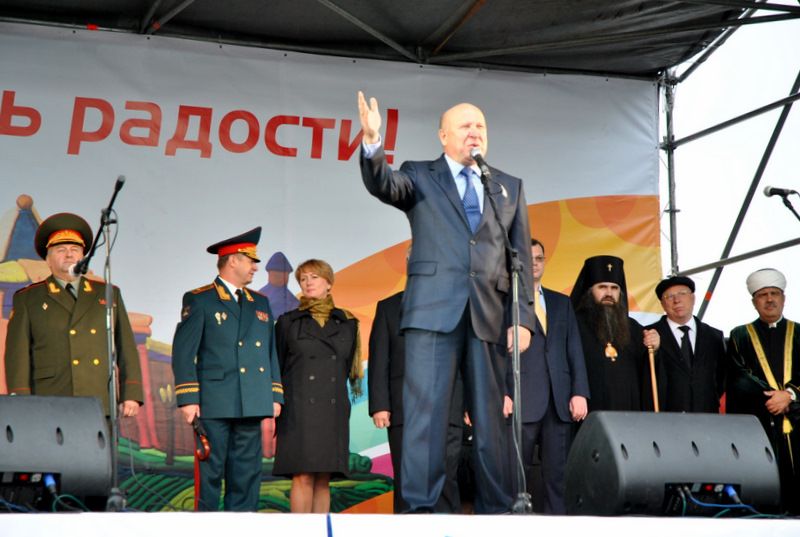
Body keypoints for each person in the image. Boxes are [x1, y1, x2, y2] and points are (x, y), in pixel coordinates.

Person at [357, 92, 535, 513]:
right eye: (465, 126)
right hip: (432, 314)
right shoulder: (420, 174)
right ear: (443, 135)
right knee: (426, 418)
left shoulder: (507, 186)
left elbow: (521, 259)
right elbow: (384, 184)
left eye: (480, 126)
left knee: (491, 421)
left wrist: (522, 317)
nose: (474, 132)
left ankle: (498, 509)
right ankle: (421, 510)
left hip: (488, 315)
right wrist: (372, 142)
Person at [171, 226, 283, 512]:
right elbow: (184, 353)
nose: (255, 267)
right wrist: (188, 398)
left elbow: (270, 352)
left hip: (252, 400)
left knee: (246, 475)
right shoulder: (200, 299)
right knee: (210, 473)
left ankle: (243, 527)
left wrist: (274, 394)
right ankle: (206, 528)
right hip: (215, 401)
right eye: (251, 260)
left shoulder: (260, 302)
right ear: (233, 260)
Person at [4, 212, 143, 417]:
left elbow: (126, 347)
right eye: (61, 250)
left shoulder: (107, 293)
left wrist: (131, 393)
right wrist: (21, 398)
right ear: (47, 259)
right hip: (48, 398)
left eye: (75, 250)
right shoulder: (28, 298)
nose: (69, 255)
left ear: (83, 256)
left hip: (98, 396)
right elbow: (17, 354)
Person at [504, 238, 589, 514]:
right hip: (520, 399)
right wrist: (502, 392)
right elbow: (495, 352)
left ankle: (558, 529)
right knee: (515, 477)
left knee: (559, 476)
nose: (534, 264)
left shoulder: (561, 302)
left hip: (559, 401)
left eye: (539, 258)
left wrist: (579, 392)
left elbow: (574, 350)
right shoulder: (504, 301)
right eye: (527, 259)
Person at [273, 259, 363, 513]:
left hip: (332, 409)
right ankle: (301, 531)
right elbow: (276, 366)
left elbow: (347, 366)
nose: (308, 282)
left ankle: (321, 529)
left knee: (324, 478)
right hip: (298, 409)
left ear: (329, 283)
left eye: (314, 277)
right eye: (303, 279)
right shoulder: (288, 322)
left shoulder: (348, 323)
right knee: (302, 475)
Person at [369, 287, 464, 513]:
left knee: (446, 479)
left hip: (448, 405)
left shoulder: (457, 303)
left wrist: (470, 404)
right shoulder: (388, 306)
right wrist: (380, 405)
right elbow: (379, 358)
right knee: (407, 481)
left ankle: (446, 527)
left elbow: (466, 356)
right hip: (404, 409)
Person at [726, 268, 799, 514]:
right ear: (754, 302)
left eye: (774, 293)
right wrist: (774, 398)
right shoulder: (739, 335)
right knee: (766, 492)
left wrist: (789, 396)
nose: (769, 299)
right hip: (760, 424)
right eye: (762, 295)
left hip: (797, 421)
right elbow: (739, 377)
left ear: (783, 298)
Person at [569, 255, 660, 412]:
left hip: (628, 411)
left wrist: (655, 348)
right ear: (589, 291)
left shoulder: (634, 328)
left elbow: (646, 371)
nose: (609, 293)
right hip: (587, 410)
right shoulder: (572, 325)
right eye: (602, 287)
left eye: (615, 288)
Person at [646, 275, 725, 413]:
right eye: (669, 296)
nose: (677, 300)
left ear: (693, 298)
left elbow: (721, 377)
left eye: (682, 294)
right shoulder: (649, 334)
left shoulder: (714, 336)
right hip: (665, 416)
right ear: (662, 304)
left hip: (706, 414)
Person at [257, 251, 300, 318]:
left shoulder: (293, 301)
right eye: (277, 275)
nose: (282, 277)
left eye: (285, 274)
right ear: (269, 273)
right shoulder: (259, 296)